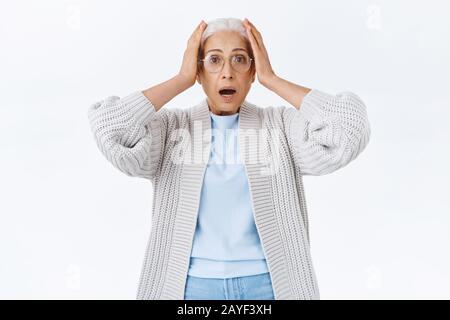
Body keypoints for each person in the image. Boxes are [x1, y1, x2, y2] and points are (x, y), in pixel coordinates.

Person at [87, 17, 371, 300]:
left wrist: (272, 79)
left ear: (252, 70)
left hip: (269, 288)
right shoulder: (171, 129)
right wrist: (180, 80)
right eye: (213, 60)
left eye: (239, 59)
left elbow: (349, 128)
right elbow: (110, 129)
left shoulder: (281, 127)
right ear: (198, 71)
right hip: (189, 289)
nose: (227, 73)